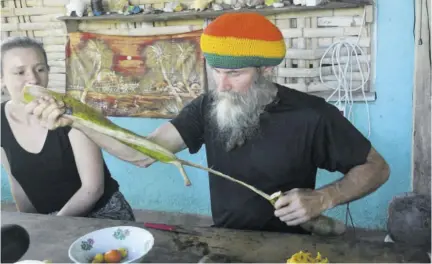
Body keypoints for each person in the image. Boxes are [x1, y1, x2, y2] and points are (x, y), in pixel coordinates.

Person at [23, 13, 390, 233]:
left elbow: (377, 168)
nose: (222, 85)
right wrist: (77, 118)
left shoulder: (313, 114)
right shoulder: (209, 106)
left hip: (291, 244)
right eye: (216, 72)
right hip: (225, 239)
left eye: (235, 74)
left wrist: (325, 197)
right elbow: (141, 153)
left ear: (266, 69)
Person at [1, 36, 135, 221]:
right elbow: (16, 182)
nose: (33, 78)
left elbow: (93, 188)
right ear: (2, 79)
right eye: (20, 72)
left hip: (102, 213)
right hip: (49, 220)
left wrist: (53, 224)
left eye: (40, 69)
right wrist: (30, 223)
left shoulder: (70, 111)